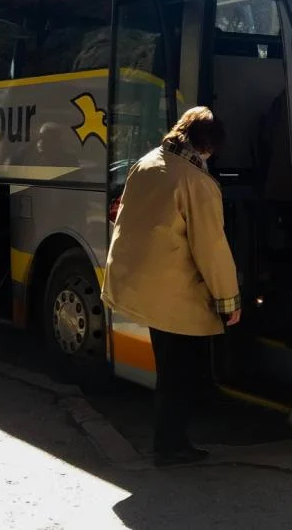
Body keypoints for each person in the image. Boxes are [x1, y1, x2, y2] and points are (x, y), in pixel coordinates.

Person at [102, 106, 241, 466]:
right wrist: (229, 301)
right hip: (176, 291)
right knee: (182, 372)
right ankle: (169, 445)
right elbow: (211, 248)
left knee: (170, 367)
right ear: (207, 147)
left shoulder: (146, 163)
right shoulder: (198, 183)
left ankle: (171, 441)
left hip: (141, 283)